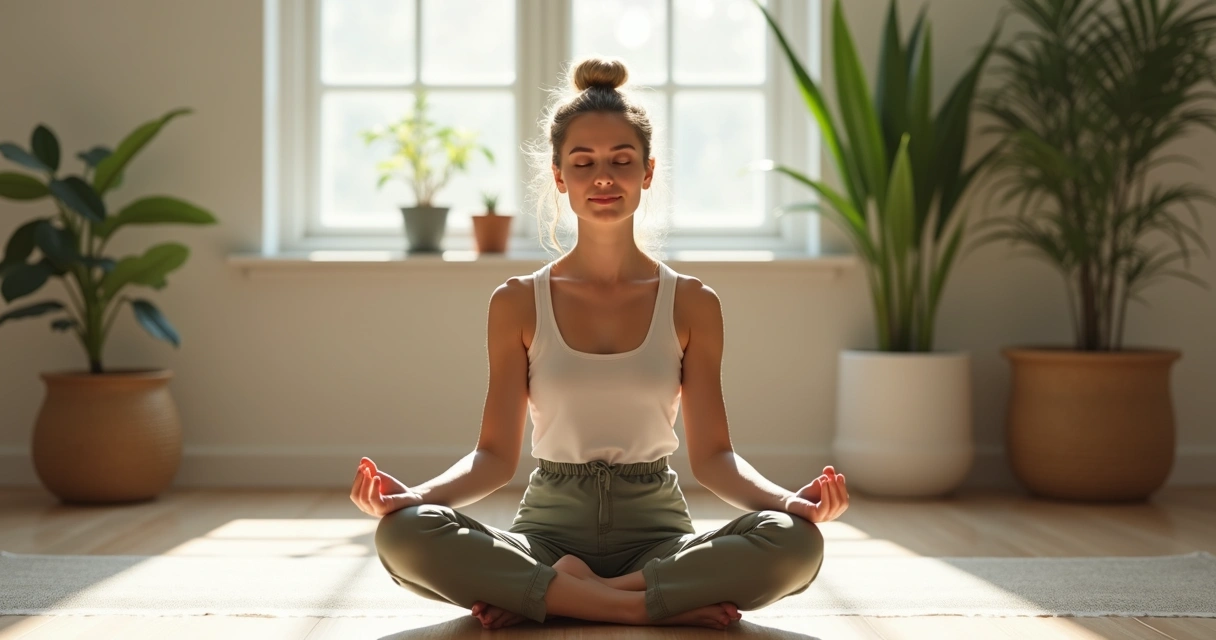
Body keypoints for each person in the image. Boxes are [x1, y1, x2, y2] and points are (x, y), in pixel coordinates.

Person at [350, 55, 850, 631]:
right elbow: (494, 458)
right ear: (560, 177)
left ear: (648, 171)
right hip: (544, 536)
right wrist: (414, 496)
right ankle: (640, 604)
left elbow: (713, 459)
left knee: (796, 544)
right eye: (583, 163)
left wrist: (790, 503)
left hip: (658, 540)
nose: (604, 178)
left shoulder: (692, 303)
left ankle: (559, 596)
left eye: (621, 160)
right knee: (405, 534)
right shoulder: (516, 301)